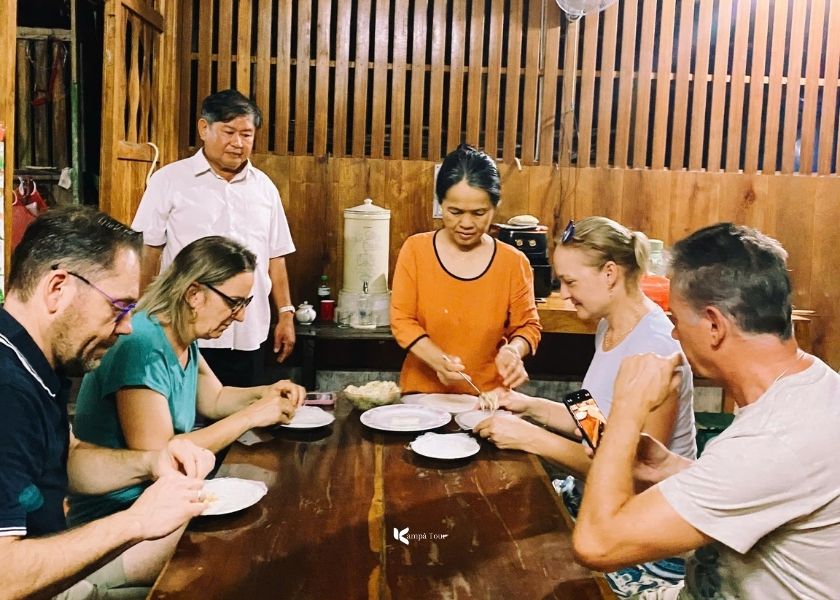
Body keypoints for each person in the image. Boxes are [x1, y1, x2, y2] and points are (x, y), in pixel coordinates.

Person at [573, 223, 840, 599]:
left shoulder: (774, 440)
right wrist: (670, 468)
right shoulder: (812, 384)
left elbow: (596, 545)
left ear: (714, 325)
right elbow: (758, 482)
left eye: (677, 320)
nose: (675, 334)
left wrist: (627, 410)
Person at [0, 206, 216, 599]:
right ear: (57, 288)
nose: (128, 326)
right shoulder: (7, 390)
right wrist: (136, 521)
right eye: (119, 308)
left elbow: (69, 456)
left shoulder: (28, 358)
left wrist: (152, 462)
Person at [68, 235, 306, 526]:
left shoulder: (180, 334)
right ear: (194, 294)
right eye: (234, 303)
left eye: (245, 303)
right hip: (119, 516)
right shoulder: (142, 344)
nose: (241, 316)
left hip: (161, 503)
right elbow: (163, 452)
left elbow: (215, 398)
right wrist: (252, 416)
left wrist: (267, 393)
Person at [476, 217, 696, 476]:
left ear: (609, 274)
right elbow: (595, 425)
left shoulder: (656, 349)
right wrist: (527, 404)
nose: (564, 294)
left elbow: (639, 474)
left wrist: (532, 438)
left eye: (570, 282)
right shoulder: (608, 326)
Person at [132, 89, 297, 388]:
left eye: (246, 135)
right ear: (204, 128)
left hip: (248, 329)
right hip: (186, 328)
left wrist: (286, 313)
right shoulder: (168, 181)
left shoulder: (265, 188)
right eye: (229, 132)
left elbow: (276, 257)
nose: (238, 143)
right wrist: (141, 317)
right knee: (185, 410)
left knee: (245, 410)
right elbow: (149, 252)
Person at [390, 144, 541, 395]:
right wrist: (438, 360)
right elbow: (402, 320)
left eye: (479, 213)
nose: (467, 223)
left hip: (490, 398)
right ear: (440, 203)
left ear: (495, 206)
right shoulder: (416, 250)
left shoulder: (513, 262)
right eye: (455, 212)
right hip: (422, 396)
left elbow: (528, 326)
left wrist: (514, 350)